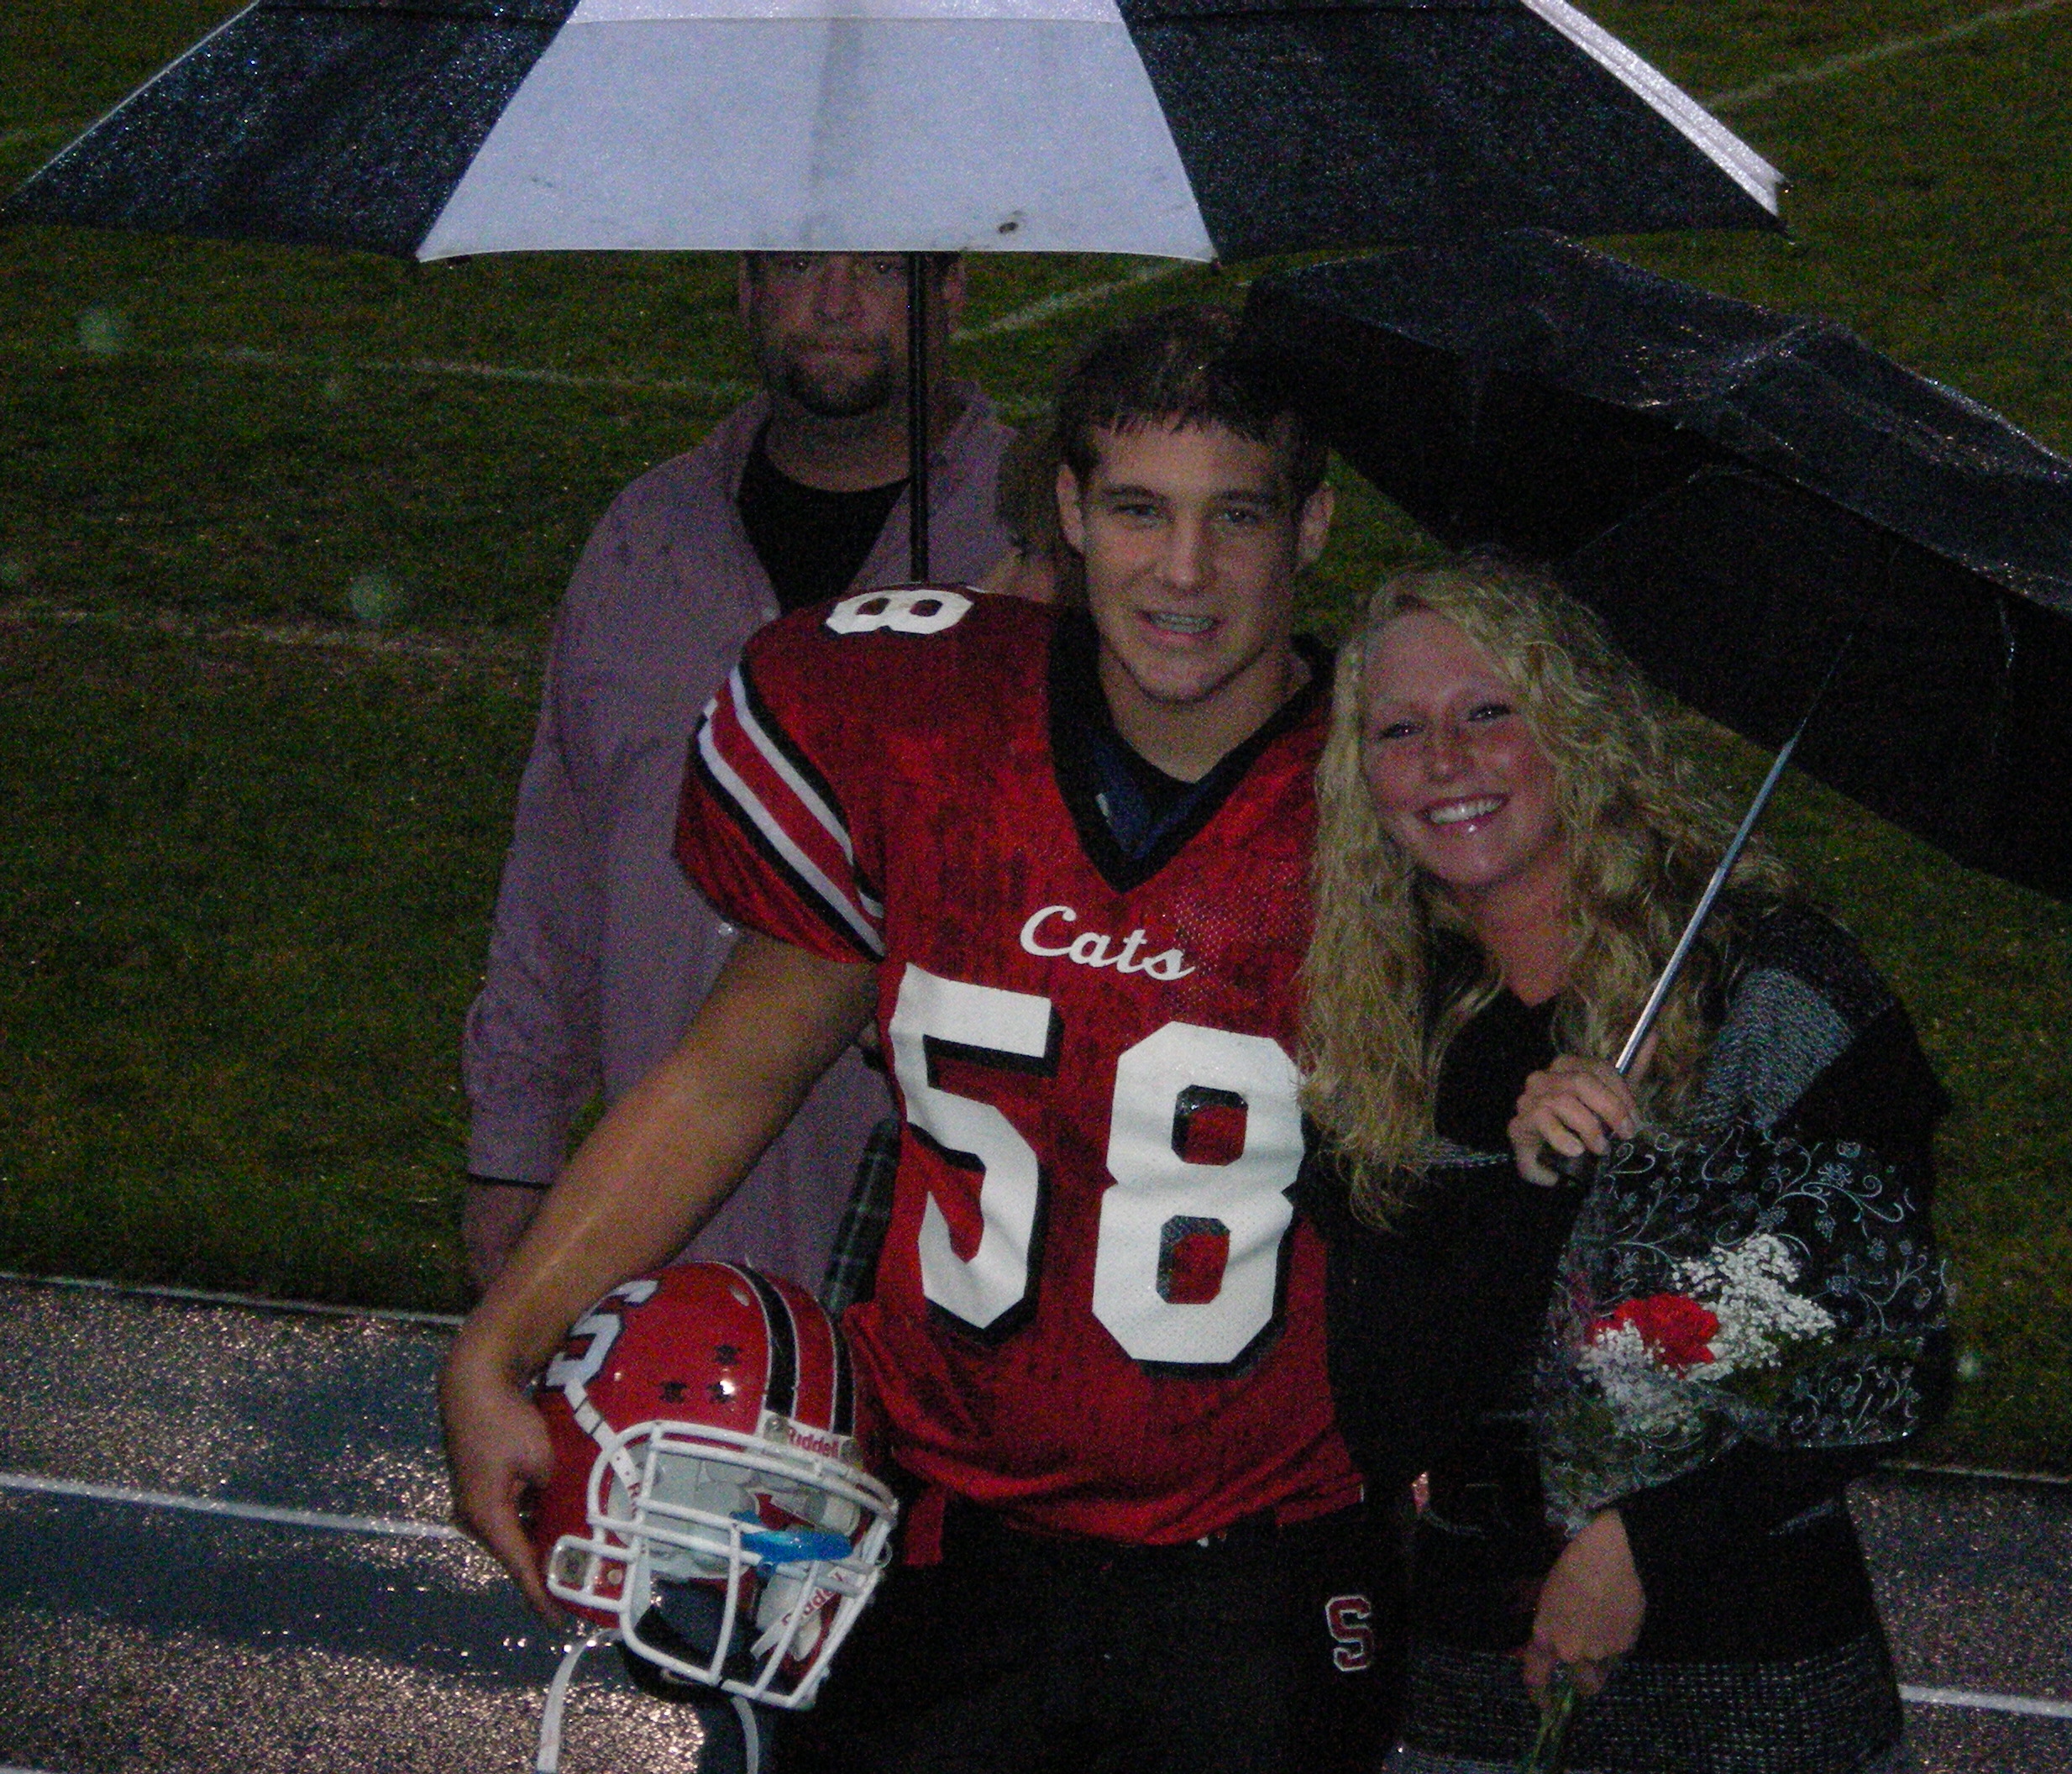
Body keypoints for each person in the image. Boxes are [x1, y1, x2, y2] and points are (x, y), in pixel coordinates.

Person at [442, 305, 1398, 1774]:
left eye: (1237, 515)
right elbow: (726, 1073)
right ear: (1068, 509)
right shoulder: (923, 736)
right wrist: (498, 1349)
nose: (1186, 570)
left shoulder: (1392, 809)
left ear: (1312, 527)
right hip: (939, 1526)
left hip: (1253, 1566)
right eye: (1138, 509)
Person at [1297, 560, 1953, 1774]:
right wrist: (1519, 1184)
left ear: (1578, 730)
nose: (1445, 759)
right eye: (1399, 730)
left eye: (1489, 712)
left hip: (1754, 1685)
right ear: (1360, 777)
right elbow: (1390, 1406)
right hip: (1471, 1680)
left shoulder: (1773, 991)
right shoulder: (1383, 1025)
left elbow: (1889, 1350)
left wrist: (1637, 1546)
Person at [461, 251, 1019, 1301]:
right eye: (804, 262)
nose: (838, 300)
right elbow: (558, 870)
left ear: (950, 290)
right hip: (666, 1247)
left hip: (943, 1259)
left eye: (881, 268)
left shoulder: (1040, 551)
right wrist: (513, 1148)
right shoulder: (645, 537)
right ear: (746, 290)